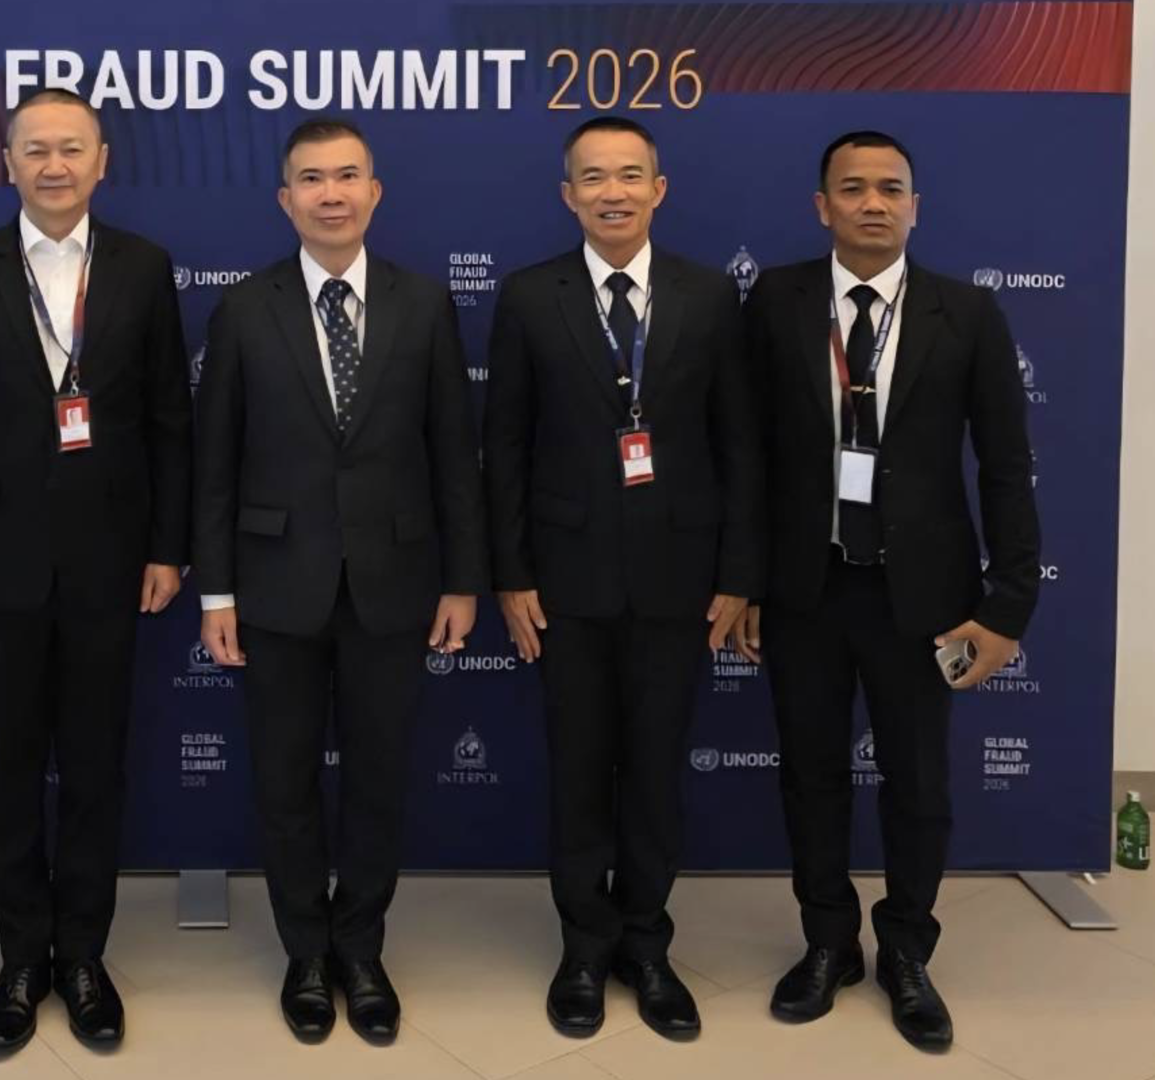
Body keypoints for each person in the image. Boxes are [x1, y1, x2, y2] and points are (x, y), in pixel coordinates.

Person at [735, 130, 1040, 1051]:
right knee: (812, 775)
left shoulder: (966, 311)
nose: (873, 202)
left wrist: (1006, 604)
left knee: (918, 781)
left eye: (891, 189)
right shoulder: (776, 302)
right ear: (821, 206)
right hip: (805, 587)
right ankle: (828, 943)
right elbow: (746, 456)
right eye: (853, 188)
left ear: (916, 207)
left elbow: (1006, 466)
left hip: (926, 597)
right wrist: (742, 581)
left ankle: (907, 949)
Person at [0, 86, 191, 1051]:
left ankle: (84, 956)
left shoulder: (144, 266)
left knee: (99, 767)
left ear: (102, 161)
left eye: (73, 149)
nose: (55, 166)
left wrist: (167, 546)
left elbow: (169, 419)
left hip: (112, 560)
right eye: (36, 150)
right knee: (10, 767)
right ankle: (22, 955)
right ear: (8, 164)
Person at [193, 118, 487, 1044]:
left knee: (377, 779)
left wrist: (463, 580)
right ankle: (305, 954)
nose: (331, 194)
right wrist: (216, 594)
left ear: (374, 192)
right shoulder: (245, 309)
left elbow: (454, 454)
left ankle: (360, 949)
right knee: (284, 783)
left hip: (395, 584)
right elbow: (214, 463)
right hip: (273, 586)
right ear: (286, 200)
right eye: (312, 179)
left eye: (347, 176)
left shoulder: (423, 303)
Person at [482, 116, 761, 1041]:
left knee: (653, 773)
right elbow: (505, 445)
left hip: (681, 582)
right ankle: (583, 948)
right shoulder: (530, 296)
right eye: (594, 177)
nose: (613, 192)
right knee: (576, 772)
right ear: (569, 195)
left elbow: (739, 443)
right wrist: (510, 573)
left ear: (658, 189)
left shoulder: (708, 295)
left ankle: (646, 945)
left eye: (630, 175)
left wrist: (739, 572)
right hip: (563, 584)